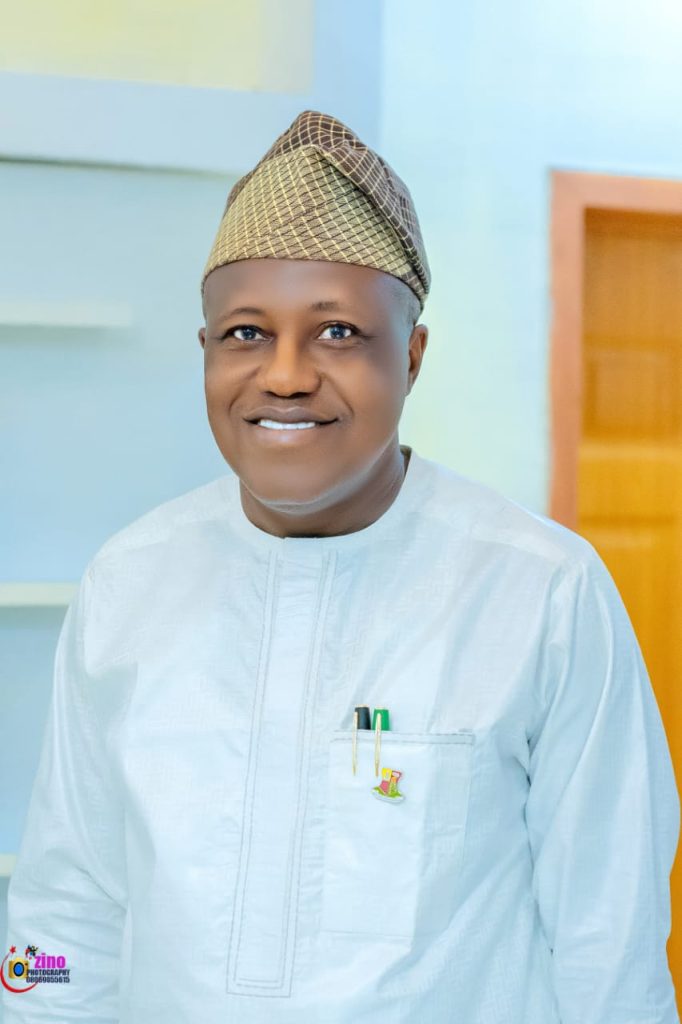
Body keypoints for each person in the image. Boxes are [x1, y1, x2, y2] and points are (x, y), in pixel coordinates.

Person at [2, 110, 679, 1024]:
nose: (284, 374)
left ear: (413, 355)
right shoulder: (129, 583)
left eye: (338, 333)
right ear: (205, 352)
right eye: (246, 333)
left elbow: (610, 945)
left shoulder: (538, 590)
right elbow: (62, 909)